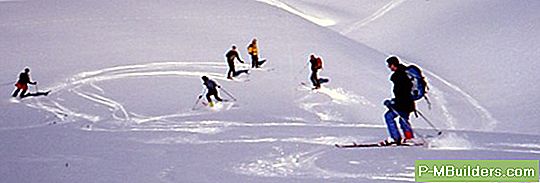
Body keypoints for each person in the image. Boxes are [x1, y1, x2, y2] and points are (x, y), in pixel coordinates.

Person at [382, 56, 415, 145]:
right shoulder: (405, 73)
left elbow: (401, 93)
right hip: (408, 103)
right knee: (403, 119)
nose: (389, 68)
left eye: (389, 65)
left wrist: (393, 102)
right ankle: (409, 138)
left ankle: (396, 138)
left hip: (403, 103)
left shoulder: (399, 76)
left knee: (389, 116)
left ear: (393, 65)